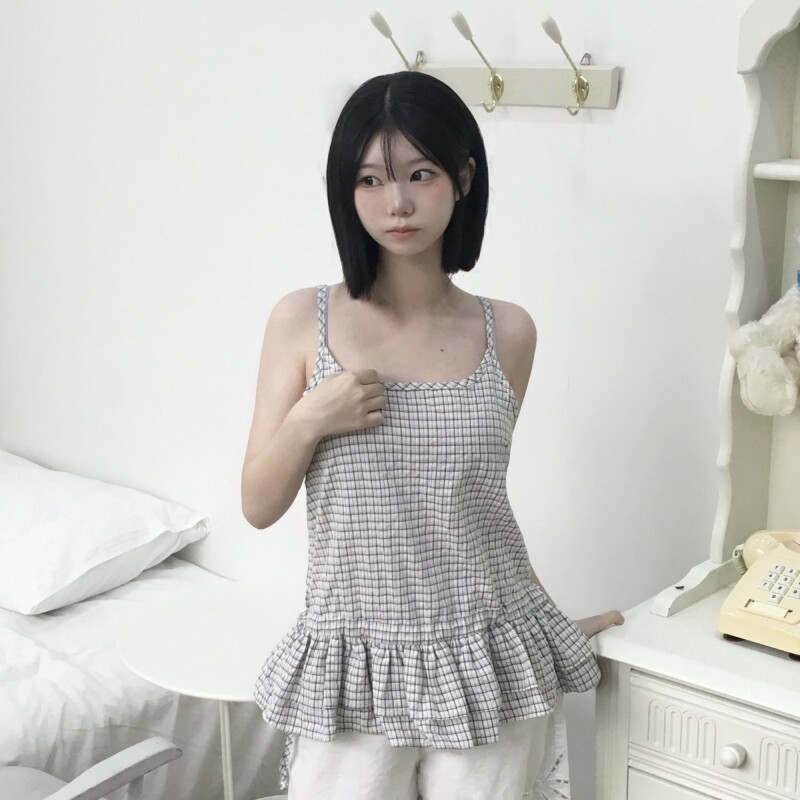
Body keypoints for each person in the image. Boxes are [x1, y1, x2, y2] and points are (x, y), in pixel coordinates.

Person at [242, 71, 624, 800]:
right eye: (370, 180)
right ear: (346, 191)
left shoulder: (510, 331)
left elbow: (478, 510)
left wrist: (551, 622)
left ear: (463, 177)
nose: (398, 202)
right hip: (357, 660)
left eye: (420, 174)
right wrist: (312, 417)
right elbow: (258, 504)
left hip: (487, 656)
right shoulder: (301, 321)